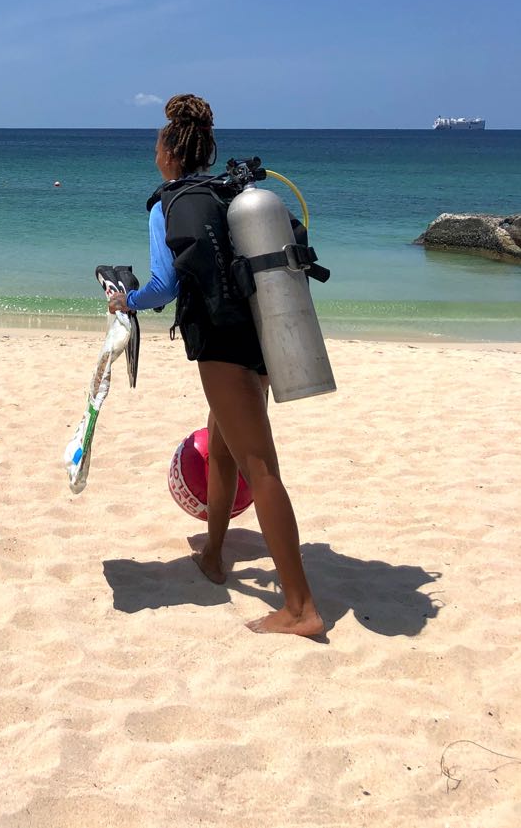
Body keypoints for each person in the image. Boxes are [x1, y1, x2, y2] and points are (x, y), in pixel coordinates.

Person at [109, 94, 324, 637]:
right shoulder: (231, 191)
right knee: (221, 443)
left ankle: (300, 607)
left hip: (222, 344)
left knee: (262, 468)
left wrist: (123, 302)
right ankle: (213, 551)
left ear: (167, 150)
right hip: (265, 332)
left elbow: (162, 285)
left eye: (157, 143)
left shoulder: (169, 202)